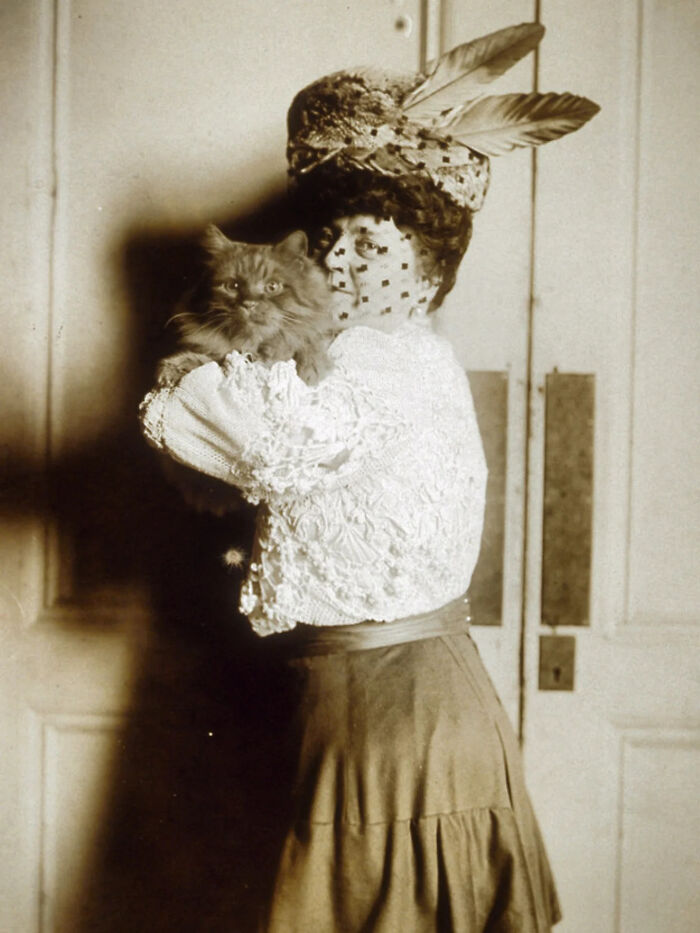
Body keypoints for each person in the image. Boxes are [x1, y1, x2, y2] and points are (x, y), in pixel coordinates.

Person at [139, 23, 598, 931]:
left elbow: (260, 437)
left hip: (401, 712)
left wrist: (182, 374)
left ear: (427, 267)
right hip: (382, 705)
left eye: (368, 242)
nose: (337, 260)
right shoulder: (389, 356)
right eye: (330, 239)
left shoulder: (380, 364)